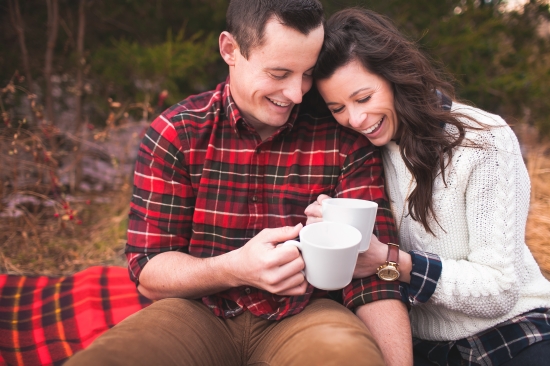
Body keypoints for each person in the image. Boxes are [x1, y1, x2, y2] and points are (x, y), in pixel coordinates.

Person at [64, 2, 413, 365]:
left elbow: (373, 276)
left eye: (307, 73)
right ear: (230, 50)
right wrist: (234, 268)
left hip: (308, 316)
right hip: (196, 313)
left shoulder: (342, 135)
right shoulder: (178, 133)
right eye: (279, 73)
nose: (296, 93)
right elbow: (149, 270)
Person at [305, 7, 550, 366]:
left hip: (511, 332)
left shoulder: (484, 141)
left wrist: (391, 262)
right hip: (423, 346)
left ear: (395, 77)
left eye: (364, 98)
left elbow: (498, 288)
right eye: (338, 107)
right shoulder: (360, 152)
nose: (356, 119)